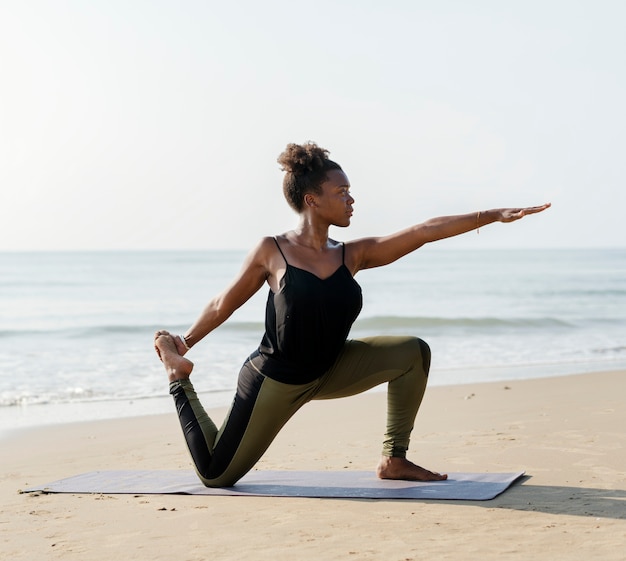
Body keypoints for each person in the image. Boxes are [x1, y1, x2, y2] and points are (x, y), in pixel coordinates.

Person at [154, 141, 550, 488]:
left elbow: (424, 230)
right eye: (341, 191)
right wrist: (183, 343)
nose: (351, 199)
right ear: (312, 200)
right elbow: (225, 303)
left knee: (413, 352)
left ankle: (393, 458)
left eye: (350, 191)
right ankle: (178, 377)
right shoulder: (272, 251)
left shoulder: (352, 254)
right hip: (275, 380)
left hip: (332, 368)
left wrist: (493, 215)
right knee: (215, 475)